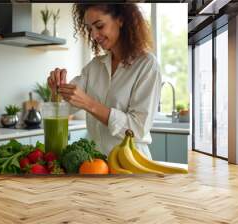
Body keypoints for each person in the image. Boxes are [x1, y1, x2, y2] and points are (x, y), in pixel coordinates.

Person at [47, 3, 161, 158]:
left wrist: (89, 104)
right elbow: (63, 109)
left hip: (130, 164)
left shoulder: (146, 64)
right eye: (90, 29)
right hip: (96, 165)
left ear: (120, 20)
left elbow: (137, 129)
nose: (93, 35)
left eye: (99, 26)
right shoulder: (94, 66)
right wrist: (56, 91)